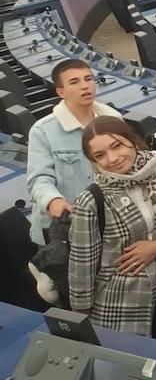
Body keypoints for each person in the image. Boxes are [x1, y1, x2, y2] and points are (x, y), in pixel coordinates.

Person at [69, 117, 156, 344]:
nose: (112, 158)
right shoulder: (92, 201)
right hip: (118, 302)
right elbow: (82, 267)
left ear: (132, 140)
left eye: (117, 146)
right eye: (100, 155)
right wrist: (81, 323)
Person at [26, 58, 124, 243]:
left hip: (108, 226)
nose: (85, 86)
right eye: (74, 82)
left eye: (88, 79)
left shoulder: (114, 120)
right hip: (63, 231)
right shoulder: (42, 131)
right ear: (61, 92)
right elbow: (38, 180)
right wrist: (53, 200)